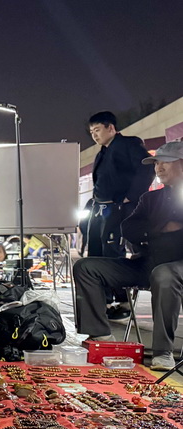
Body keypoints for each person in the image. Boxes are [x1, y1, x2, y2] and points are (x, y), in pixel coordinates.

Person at [73, 141, 183, 371]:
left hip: (175, 268)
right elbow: (128, 228)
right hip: (146, 264)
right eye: (156, 163)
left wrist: (157, 231)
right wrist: (161, 229)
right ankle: (101, 337)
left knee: (164, 275)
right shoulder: (150, 199)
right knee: (86, 267)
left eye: (164, 162)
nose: (158, 168)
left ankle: (163, 352)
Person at [87, 111, 154, 322]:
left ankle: (122, 300)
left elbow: (147, 168)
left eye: (97, 130)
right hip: (99, 209)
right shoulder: (102, 153)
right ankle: (103, 300)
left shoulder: (129, 144)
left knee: (113, 251)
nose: (94, 135)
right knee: (96, 252)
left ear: (111, 127)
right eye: (91, 132)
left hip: (119, 208)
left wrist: (130, 198)